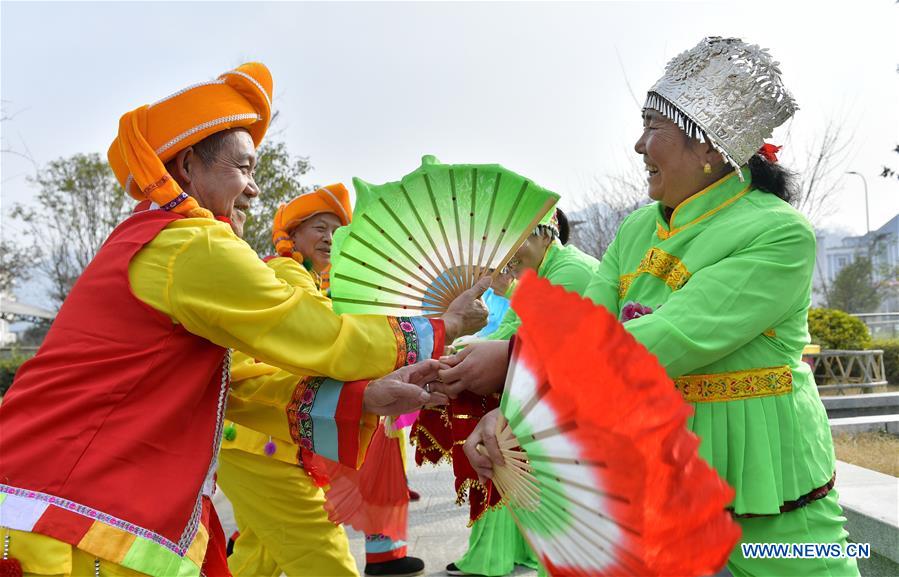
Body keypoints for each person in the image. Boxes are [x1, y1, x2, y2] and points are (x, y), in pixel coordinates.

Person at [0, 63, 486, 577]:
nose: (255, 190)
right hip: (70, 505)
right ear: (188, 167)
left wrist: (364, 396)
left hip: (69, 496)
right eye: (245, 168)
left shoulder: (157, 242)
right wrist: (440, 326)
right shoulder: (191, 243)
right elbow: (324, 335)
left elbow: (235, 382)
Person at [448, 37, 860, 577]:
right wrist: (513, 416)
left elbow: (672, 338)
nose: (638, 146)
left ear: (709, 148)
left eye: (653, 127)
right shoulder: (639, 226)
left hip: (771, 480)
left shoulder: (780, 233)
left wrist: (512, 358)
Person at [218, 185, 430, 577]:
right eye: (320, 227)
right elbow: (332, 340)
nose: (331, 239)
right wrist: (431, 332)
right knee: (325, 557)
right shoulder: (285, 272)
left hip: (263, 437)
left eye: (338, 231)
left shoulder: (312, 282)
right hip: (262, 442)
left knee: (257, 557)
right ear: (292, 235)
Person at [411, 208, 598, 577]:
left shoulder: (570, 271)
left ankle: (494, 556)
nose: (509, 255)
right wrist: (451, 350)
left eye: (520, 240)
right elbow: (509, 333)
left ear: (547, 234)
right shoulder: (536, 277)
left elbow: (535, 344)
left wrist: (461, 354)